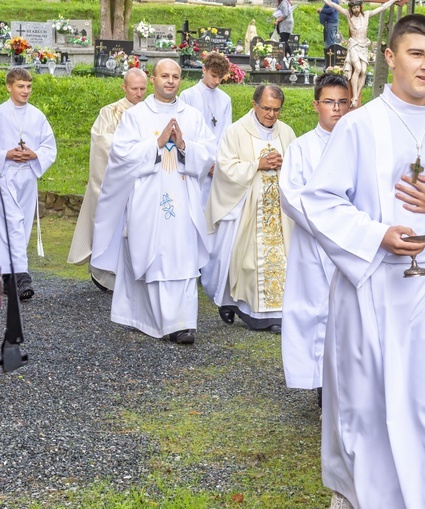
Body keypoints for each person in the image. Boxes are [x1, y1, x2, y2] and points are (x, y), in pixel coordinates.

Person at [301, 14, 425, 508]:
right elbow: (321, 200)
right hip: (372, 285)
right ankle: (372, 496)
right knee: (369, 400)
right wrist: (379, 234)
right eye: (416, 54)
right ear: (389, 57)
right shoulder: (359, 125)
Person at [91, 59, 216, 345]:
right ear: (154, 78)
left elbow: (210, 152)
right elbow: (120, 156)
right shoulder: (136, 116)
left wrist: (184, 146)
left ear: (180, 80)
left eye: (175, 76)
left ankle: (183, 323)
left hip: (183, 198)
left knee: (182, 256)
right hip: (148, 199)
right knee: (154, 256)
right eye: (164, 76)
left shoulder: (192, 116)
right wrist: (156, 144)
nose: (170, 81)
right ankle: (154, 320)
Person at [279, 74, 350, 401]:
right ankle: (321, 382)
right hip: (314, 244)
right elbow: (290, 196)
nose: (336, 109)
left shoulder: (360, 143)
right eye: (329, 102)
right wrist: (324, 224)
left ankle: (350, 383)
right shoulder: (302, 147)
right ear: (315, 105)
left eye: (342, 102)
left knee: (349, 315)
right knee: (314, 311)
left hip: (351, 243)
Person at [203, 84, 296, 334]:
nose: (271, 115)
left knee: (282, 261)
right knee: (247, 263)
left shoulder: (286, 133)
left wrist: (282, 164)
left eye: (276, 110)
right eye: (266, 108)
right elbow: (225, 167)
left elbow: (298, 167)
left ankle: (275, 314)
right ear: (254, 104)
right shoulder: (236, 132)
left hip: (278, 212)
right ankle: (240, 306)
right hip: (247, 208)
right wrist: (258, 165)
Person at [68, 68, 148, 292]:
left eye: (143, 88)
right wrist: (136, 148)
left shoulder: (152, 111)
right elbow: (103, 144)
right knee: (113, 229)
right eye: (134, 89)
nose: (139, 93)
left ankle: (137, 275)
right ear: (124, 87)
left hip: (143, 183)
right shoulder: (110, 112)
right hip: (117, 183)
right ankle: (107, 275)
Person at [0, 68, 57, 300]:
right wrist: (6, 154)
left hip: (27, 177)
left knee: (22, 226)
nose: (25, 91)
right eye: (20, 86)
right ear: (8, 87)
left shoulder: (37, 116)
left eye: (28, 86)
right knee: (12, 222)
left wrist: (34, 155)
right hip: (6, 176)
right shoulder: (1, 113)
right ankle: (22, 276)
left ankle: (8, 274)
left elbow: (49, 146)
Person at [322, 0, 398, 108]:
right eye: (353, 8)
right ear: (351, 9)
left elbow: (382, 8)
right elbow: (334, 5)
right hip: (354, 45)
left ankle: (356, 94)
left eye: (357, 7)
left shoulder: (366, 15)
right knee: (357, 68)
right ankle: (355, 97)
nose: (355, 10)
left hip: (364, 46)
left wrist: (393, 0)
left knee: (363, 71)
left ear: (360, 7)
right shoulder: (348, 15)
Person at [180, 51, 233, 206]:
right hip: (195, 160)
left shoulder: (225, 99)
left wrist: (217, 161)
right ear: (204, 70)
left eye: (220, 77)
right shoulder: (188, 96)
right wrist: (204, 160)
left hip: (217, 164)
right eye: (213, 75)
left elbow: (226, 132)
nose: (217, 81)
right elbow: (187, 131)